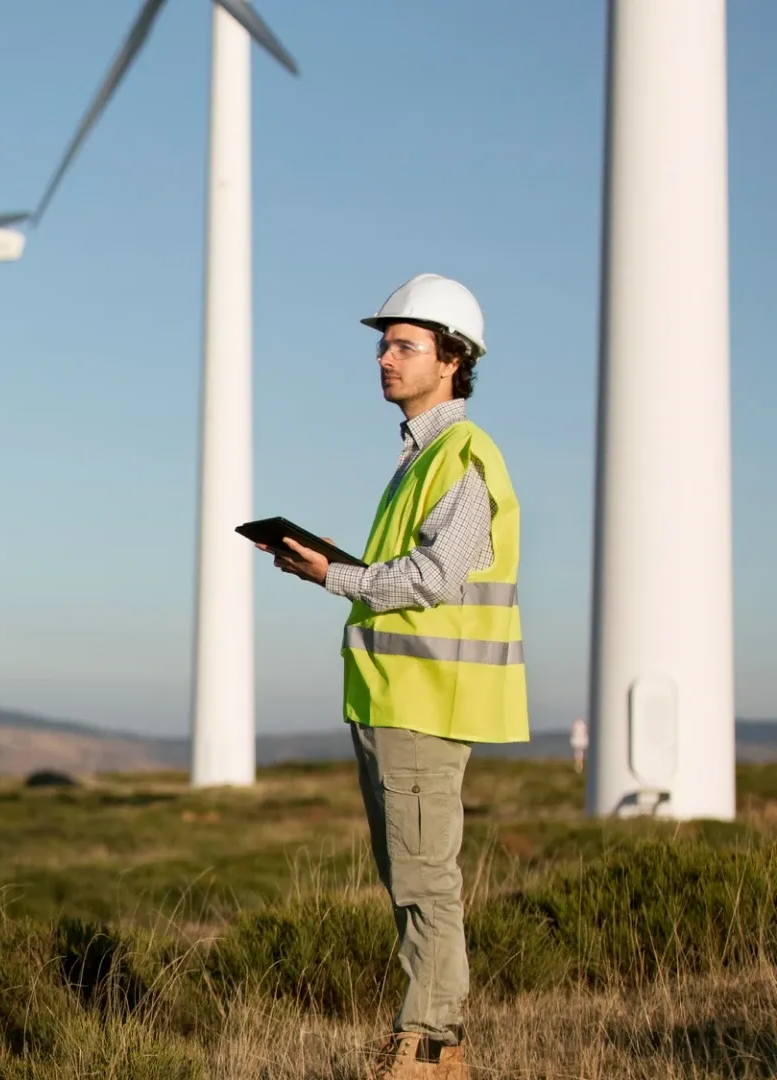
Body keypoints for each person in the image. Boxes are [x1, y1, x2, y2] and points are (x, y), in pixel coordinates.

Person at [262, 273, 527, 1080]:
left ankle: (426, 1044)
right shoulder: (420, 460)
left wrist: (335, 579)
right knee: (410, 876)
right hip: (391, 703)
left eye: (405, 345)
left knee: (422, 879)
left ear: (452, 361)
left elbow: (438, 577)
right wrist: (344, 571)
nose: (384, 357)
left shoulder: (460, 456)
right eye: (384, 343)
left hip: (424, 704)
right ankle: (436, 1043)